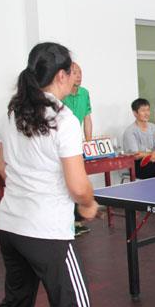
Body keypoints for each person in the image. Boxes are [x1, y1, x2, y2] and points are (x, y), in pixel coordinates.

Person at [0, 42, 103, 307]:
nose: (75, 78)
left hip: (10, 226)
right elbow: (78, 185)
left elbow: (2, 167)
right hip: (48, 234)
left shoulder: (11, 114)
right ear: (61, 75)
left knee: (15, 301)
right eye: (72, 72)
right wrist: (88, 204)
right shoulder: (64, 120)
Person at [61, 62, 93, 237]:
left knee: (78, 181)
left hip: (77, 144)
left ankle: (77, 221)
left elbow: (87, 118)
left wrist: (89, 143)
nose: (79, 76)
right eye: (75, 72)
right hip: (62, 145)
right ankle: (68, 222)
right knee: (67, 183)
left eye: (80, 72)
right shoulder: (61, 95)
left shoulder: (85, 93)